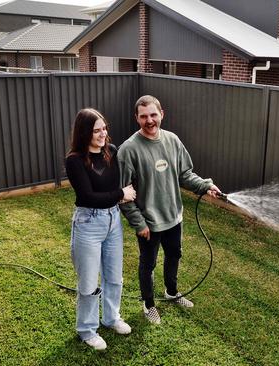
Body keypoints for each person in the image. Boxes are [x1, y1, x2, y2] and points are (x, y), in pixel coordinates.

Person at [118, 95, 221, 325]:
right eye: (143, 116)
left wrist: (205, 185)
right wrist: (139, 223)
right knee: (148, 264)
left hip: (174, 217)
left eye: (153, 115)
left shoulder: (173, 140)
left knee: (174, 255)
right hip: (149, 223)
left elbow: (185, 174)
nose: (149, 120)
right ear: (137, 118)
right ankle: (149, 304)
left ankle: (172, 293)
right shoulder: (128, 150)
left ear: (161, 113)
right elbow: (123, 195)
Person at [65, 108, 136, 351]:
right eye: (96, 131)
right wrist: (120, 195)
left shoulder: (111, 152)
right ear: (84, 133)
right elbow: (88, 197)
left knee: (114, 276)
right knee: (88, 282)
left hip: (113, 221)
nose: (102, 134)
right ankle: (87, 329)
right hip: (88, 224)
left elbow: (109, 191)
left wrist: (117, 198)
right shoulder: (74, 161)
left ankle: (111, 318)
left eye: (104, 128)